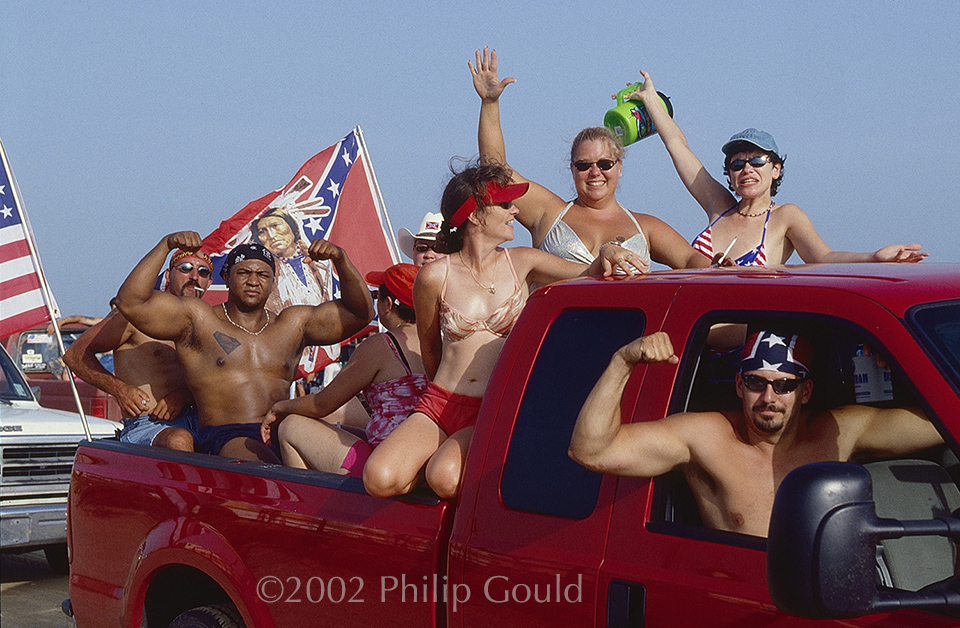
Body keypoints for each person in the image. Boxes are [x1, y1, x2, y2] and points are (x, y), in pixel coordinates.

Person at [363, 163, 624, 500]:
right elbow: (431, 353)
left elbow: (589, 273)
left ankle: (441, 468)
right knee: (378, 478)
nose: (514, 210)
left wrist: (607, 251)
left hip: (491, 405)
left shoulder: (524, 261)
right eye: (504, 205)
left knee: (444, 477)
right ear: (474, 215)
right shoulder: (433, 277)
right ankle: (439, 467)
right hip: (440, 402)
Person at [568, 329, 944, 537]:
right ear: (738, 385)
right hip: (739, 599)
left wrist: (902, 369)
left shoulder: (840, 430)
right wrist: (623, 361)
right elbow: (591, 451)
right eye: (755, 382)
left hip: (827, 602)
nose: (768, 397)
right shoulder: (707, 436)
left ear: (805, 391)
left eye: (784, 385)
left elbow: (943, 424)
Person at [114, 233, 375, 463]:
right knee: (263, 470)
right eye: (244, 273)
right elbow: (131, 302)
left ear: (273, 282)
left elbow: (361, 313)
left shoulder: (293, 324)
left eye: (262, 275)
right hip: (228, 435)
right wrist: (165, 246)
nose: (253, 281)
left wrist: (341, 259)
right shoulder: (199, 320)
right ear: (226, 277)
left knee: (355, 461)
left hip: (283, 430)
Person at [626, 71, 928, 266]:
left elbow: (822, 257)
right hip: (698, 350)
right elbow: (679, 148)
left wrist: (873, 257)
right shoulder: (719, 207)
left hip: (746, 351)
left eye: (757, 160)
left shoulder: (785, 217)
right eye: (737, 163)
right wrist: (652, 101)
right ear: (729, 174)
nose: (747, 168)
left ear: (776, 170)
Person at [470, 47, 709, 272]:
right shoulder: (548, 213)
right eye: (584, 165)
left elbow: (689, 259)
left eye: (605, 164)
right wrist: (489, 103)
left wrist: (719, 266)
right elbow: (495, 171)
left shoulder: (645, 227)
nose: (595, 172)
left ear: (619, 167)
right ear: (572, 169)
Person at [260, 263, 427, 475]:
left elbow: (321, 404)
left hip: (385, 465)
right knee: (339, 426)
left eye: (377, 297)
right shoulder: (436, 344)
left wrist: (279, 408)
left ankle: (307, 503)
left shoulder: (381, 345)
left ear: (389, 304)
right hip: (422, 459)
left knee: (291, 426)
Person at [63, 250, 215, 451]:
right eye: (185, 268)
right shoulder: (136, 316)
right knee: (179, 440)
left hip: (202, 421)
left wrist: (184, 395)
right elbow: (75, 355)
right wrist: (120, 390)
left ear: (209, 283)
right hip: (149, 425)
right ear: (169, 275)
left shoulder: (212, 324)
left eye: (202, 272)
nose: (194, 276)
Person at [251, 207, 332, 312]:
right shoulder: (264, 276)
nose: (271, 235)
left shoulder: (322, 262)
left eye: (275, 226)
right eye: (262, 231)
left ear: (292, 228)